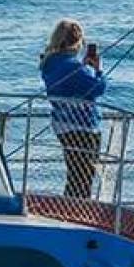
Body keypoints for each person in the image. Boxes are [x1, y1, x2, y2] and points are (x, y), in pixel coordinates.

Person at [39, 19, 106, 200]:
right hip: (81, 126)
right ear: (77, 42)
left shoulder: (50, 63)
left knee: (75, 173)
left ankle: (71, 208)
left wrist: (85, 68)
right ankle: (76, 211)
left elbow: (73, 84)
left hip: (62, 122)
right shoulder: (72, 66)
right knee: (83, 177)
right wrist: (97, 70)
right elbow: (97, 87)